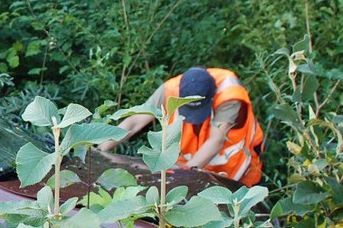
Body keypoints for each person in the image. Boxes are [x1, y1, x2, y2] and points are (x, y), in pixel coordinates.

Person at [97, 66, 265, 186]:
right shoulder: (170, 90)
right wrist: (99, 151)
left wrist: (180, 176)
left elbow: (216, 140)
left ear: (212, 97)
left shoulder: (229, 95)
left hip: (234, 171)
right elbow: (135, 121)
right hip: (190, 167)